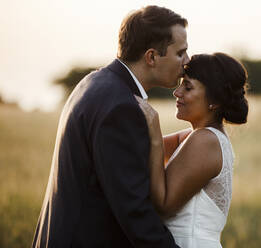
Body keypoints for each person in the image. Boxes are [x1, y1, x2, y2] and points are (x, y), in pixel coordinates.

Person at [32, 5, 189, 248]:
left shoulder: (94, 82)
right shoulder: (121, 107)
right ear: (151, 57)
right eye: (180, 53)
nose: (187, 62)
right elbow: (133, 210)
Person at [137, 52, 249, 247]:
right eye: (181, 83)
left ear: (214, 102)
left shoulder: (205, 140)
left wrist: (154, 127)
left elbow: (164, 205)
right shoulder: (194, 137)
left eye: (187, 87)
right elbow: (139, 150)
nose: (177, 92)